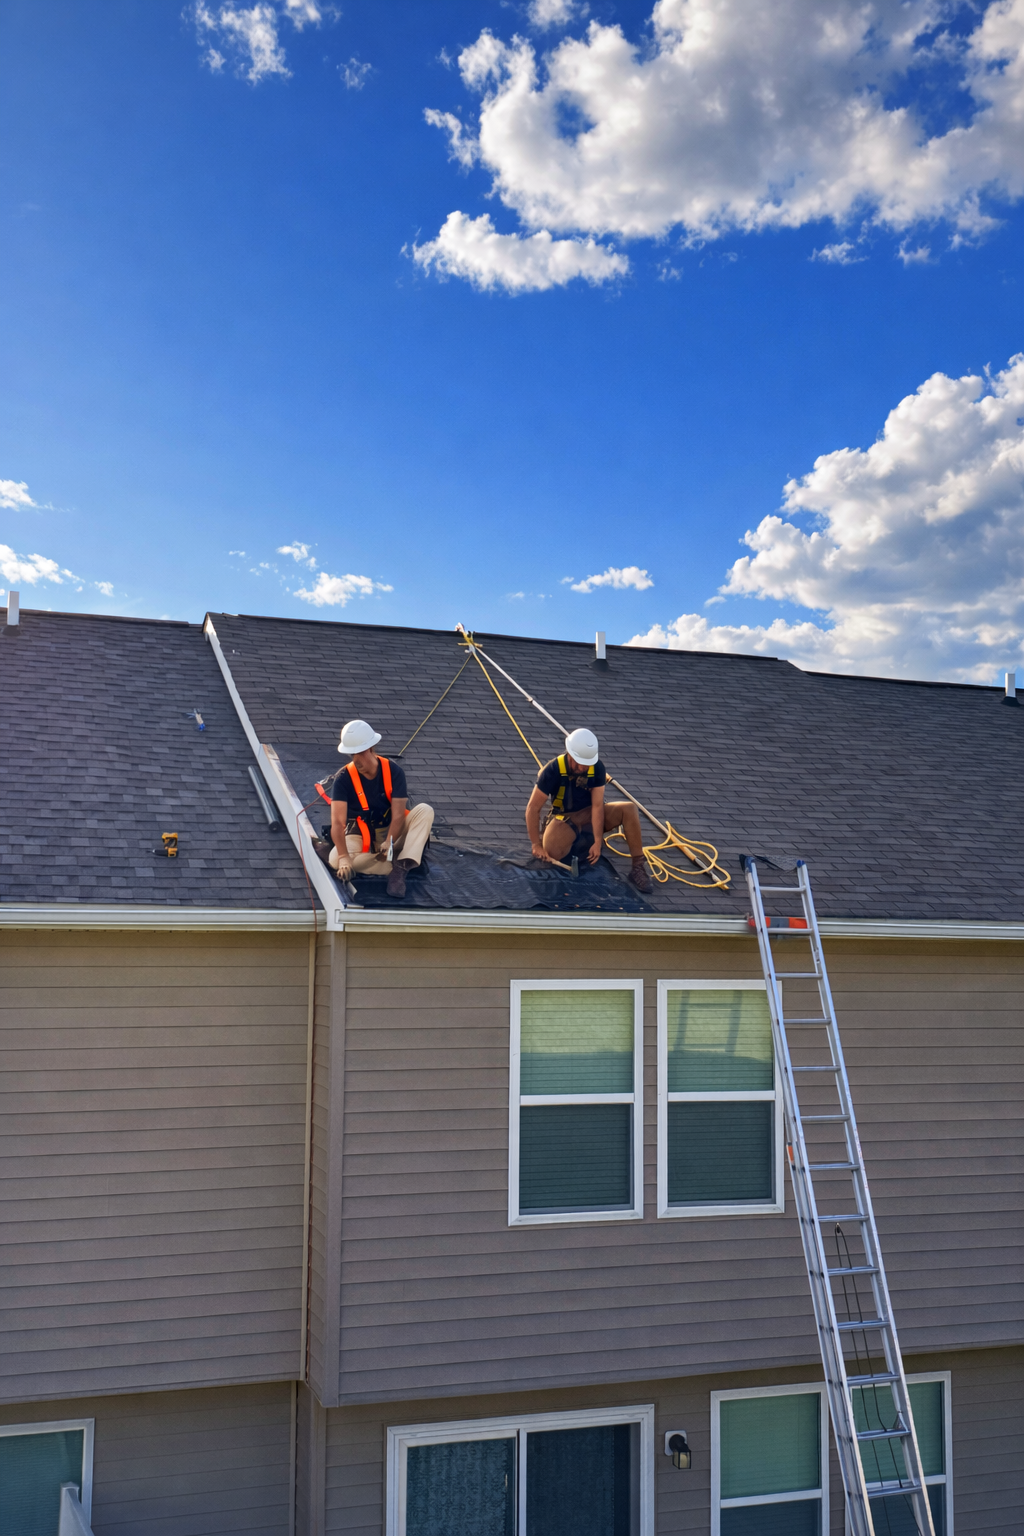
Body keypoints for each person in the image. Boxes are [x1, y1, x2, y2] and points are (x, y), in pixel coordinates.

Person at [525, 727, 654, 894]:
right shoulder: (553, 770)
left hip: (590, 814)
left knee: (628, 809)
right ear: (570, 754)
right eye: (580, 763)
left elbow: (598, 806)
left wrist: (598, 841)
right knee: (552, 852)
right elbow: (532, 808)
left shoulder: (597, 768)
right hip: (564, 819)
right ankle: (579, 843)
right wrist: (536, 844)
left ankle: (637, 868)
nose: (584, 768)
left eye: (587, 764)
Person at [328, 719, 434, 898]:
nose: (356, 760)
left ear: (370, 748)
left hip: (391, 833)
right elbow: (338, 823)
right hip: (358, 835)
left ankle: (401, 867)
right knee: (335, 860)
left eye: (359, 753)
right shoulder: (343, 779)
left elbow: (399, 815)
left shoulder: (394, 772)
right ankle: (397, 862)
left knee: (425, 810)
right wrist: (344, 856)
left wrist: (389, 841)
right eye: (351, 754)